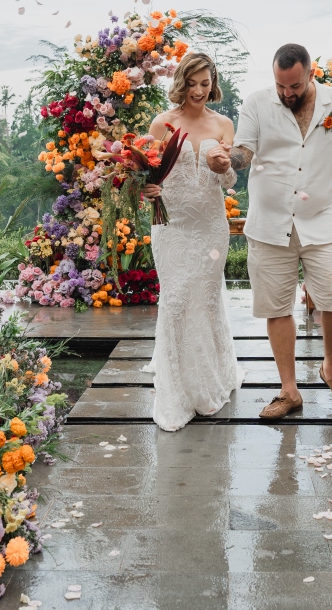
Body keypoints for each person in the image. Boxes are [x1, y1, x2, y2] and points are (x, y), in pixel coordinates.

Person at [214, 43, 332, 419]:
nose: (287, 93)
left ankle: (331, 368)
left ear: (310, 74)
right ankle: (289, 391)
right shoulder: (257, 103)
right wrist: (227, 158)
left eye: (295, 86)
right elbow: (244, 153)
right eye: (280, 86)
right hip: (269, 223)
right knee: (276, 306)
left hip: (323, 220)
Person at [140, 52, 246, 430]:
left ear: (213, 84)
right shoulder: (162, 123)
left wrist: (224, 166)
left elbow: (228, 180)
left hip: (211, 227)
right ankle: (176, 391)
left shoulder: (224, 124)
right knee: (175, 299)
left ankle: (208, 378)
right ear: (181, 83)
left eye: (205, 83)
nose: (198, 91)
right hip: (171, 226)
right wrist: (147, 188)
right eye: (192, 83)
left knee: (204, 299)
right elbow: (146, 174)